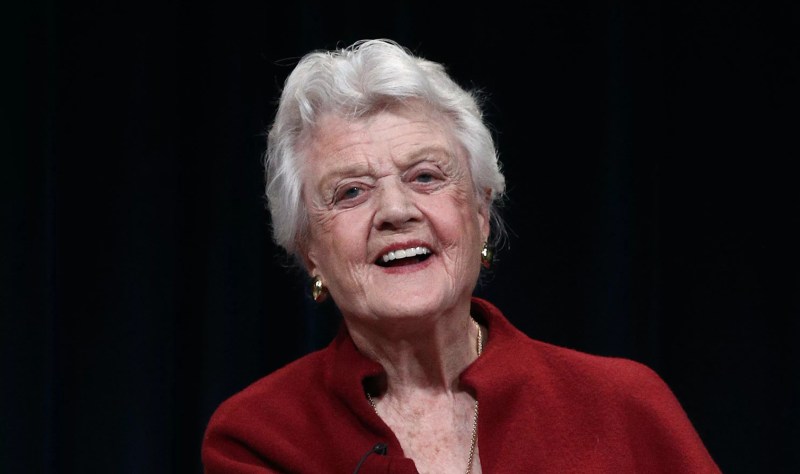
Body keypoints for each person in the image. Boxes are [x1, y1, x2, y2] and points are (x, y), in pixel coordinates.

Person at [201, 38, 720, 473]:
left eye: (425, 176)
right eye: (351, 192)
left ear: (480, 212)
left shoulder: (624, 406)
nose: (396, 211)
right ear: (310, 251)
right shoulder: (259, 437)